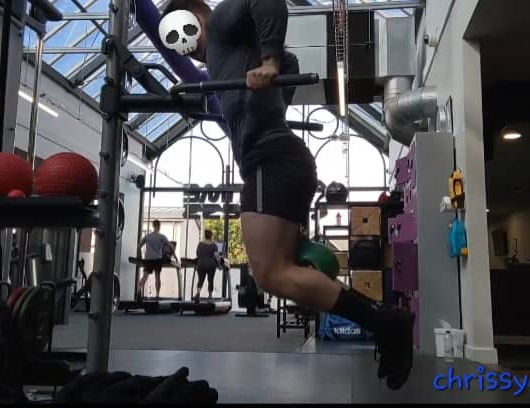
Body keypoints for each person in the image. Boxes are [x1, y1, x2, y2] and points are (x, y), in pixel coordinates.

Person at [161, 0, 414, 390]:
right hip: (277, 161)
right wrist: (270, 89)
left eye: (180, 31)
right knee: (278, 269)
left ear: (194, 16)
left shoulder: (223, 22)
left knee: (271, 273)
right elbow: (293, 63)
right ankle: (383, 321)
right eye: (171, 39)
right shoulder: (224, 56)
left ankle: (385, 322)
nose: (182, 44)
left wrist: (270, 63)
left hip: (272, 160)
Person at [138, 220, 178, 300]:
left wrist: (140, 256)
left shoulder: (147, 236)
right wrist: (175, 256)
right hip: (157, 259)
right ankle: (157, 295)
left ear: (153, 226)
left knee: (145, 276)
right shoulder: (162, 236)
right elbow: (171, 246)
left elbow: (139, 246)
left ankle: (139, 291)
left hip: (148, 259)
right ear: (159, 226)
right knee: (157, 277)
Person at [194, 230, 221, 301]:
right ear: (211, 236)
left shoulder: (200, 244)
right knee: (210, 280)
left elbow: (197, 254)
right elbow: (217, 256)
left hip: (201, 264)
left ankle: (198, 293)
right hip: (210, 265)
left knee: (200, 280)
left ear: (205, 236)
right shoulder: (214, 245)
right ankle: (210, 296)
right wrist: (219, 264)